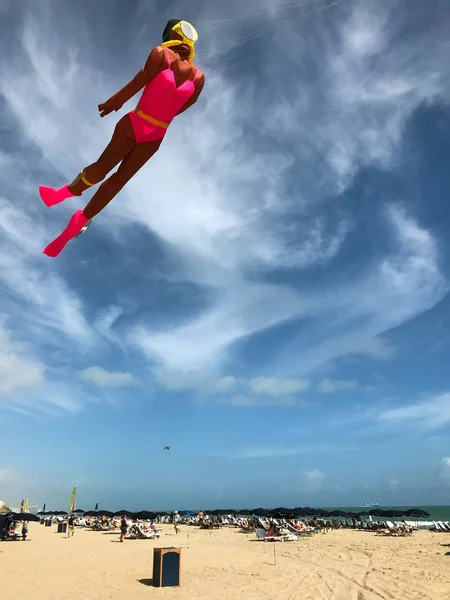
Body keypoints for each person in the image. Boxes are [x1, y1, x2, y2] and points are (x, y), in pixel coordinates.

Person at [39, 19, 205, 257]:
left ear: (170, 34)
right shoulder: (182, 68)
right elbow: (166, 96)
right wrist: (119, 102)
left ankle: (67, 213)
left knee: (112, 177)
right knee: (106, 172)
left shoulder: (183, 67)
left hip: (147, 130)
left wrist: (116, 101)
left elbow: (147, 85)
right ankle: (65, 198)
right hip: (147, 128)